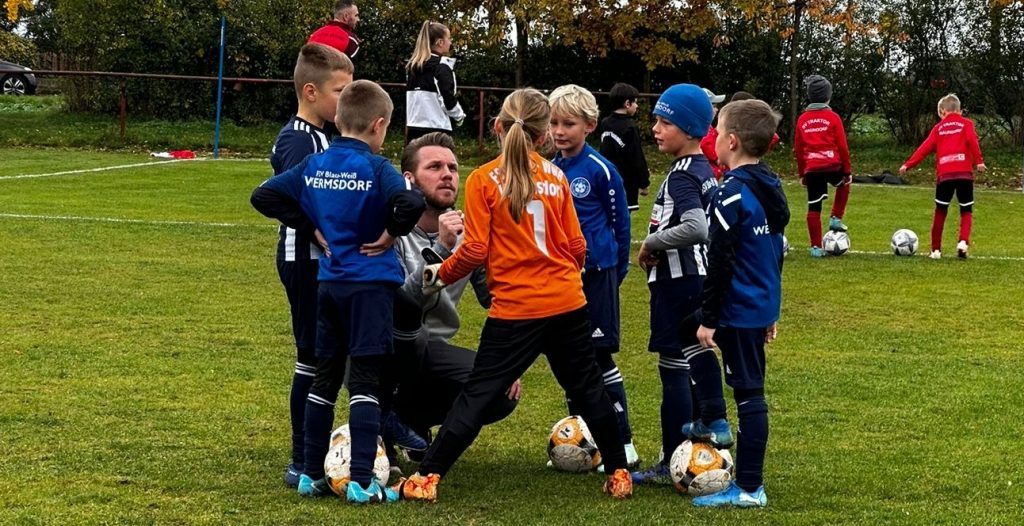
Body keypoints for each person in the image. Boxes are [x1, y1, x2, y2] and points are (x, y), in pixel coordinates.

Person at [398, 88, 633, 502]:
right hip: (567, 302)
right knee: (589, 389)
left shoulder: (484, 179)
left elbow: (474, 250)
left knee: (478, 394)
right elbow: (577, 245)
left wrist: (438, 274)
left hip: (516, 310)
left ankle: (426, 478)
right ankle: (619, 474)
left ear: (497, 127)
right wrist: (565, 272)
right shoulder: (557, 176)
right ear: (542, 136)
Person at [251, 80, 425, 504]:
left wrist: (310, 226)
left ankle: (311, 474)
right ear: (379, 125)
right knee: (365, 380)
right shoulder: (377, 168)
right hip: (369, 287)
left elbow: (263, 195)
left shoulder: (314, 164)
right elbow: (411, 203)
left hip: (328, 284)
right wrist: (389, 234)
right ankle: (362, 481)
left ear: (340, 118)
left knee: (324, 378)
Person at [389, 132, 519, 448]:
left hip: (435, 348)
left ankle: (413, 423)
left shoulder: (470, 233)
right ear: (409, 179)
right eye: (434, 167)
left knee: (500, 389)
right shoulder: (389, 231)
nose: (447, 175)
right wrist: (442, 249)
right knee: (412, 343)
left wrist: (508, 358)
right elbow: (403, 304)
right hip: (390, 345)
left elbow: (496, 297)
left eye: (452, 168)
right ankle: (381, 420)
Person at [631, 83, 730, 485]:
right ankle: (700, 447)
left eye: (664, 122)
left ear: (689, 129)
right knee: (691, 365)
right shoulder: (703, 169)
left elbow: (695, 227)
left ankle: (671, 458)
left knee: (672, 370)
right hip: (694, 278)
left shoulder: (683, 175)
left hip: (679, 283)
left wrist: (652, 242)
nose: (655, 129)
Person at [693, 99, 789, 508]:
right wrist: (771, 310)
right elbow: (775, 252)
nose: (712, 139)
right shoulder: (771, 186)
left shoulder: (729, 195)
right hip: (758, 305)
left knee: (750, 395)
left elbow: (721, 261)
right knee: (678, 331)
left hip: (738, 309)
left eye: (716, 132)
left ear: (731, 141)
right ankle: (709, 416)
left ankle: (750, 488)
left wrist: (710, 318)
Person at [267, 43, 353, 489]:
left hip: (326, 262)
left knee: (328, 354)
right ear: (311, 92)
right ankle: (302, 456)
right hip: (303, 260)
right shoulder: (298, 139)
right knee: (311, 356)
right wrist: (313, 228)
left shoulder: (325, 135)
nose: (346, 99)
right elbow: (282, 195)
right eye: (340, 91)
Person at [549, 84, 637, 469]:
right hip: (561, 277)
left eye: (568, 123)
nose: (559, 131)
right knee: (569, 359)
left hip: (597, 274)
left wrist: (616, 270)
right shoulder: (549, 169)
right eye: (554, 123)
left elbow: (620, 225)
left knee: (598, 357)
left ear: (589, 126)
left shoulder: (601, 170)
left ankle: (624, 442)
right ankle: (584, 445)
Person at [899, 93, 986, 259]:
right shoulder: (967, 123)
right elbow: (972, 141)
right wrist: (979, 161)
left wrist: (908, 164)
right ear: (960, 111)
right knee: (966, 210)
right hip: (964, 174)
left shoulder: (938, 128)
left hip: (945, 175)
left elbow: (924, 148)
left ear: (942, 112)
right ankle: (963, 242)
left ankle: (936, 250)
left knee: (940, 211)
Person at [793, 74, 852, 257]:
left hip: (812, 169)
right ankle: (836, 218)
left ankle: (816, 248)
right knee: (844, 184)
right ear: (828, 96)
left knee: (814, 207)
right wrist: (847, 170)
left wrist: (802, 173)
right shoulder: (833, 117)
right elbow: (842, 146)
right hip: (833, 165)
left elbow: (798, 149)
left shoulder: (802, 119)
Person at [405, 20, 465, 142]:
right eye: (449, 38)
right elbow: (447, 97)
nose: (450, 42)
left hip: (413, 127)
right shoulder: (442, 66)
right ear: (440, 42)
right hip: (437, 129)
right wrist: (459, 116)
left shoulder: (413, 66)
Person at [703, 91, 781, 179]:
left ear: (732, 141)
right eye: (713, 106)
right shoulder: (766, 176)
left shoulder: (733, 186)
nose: (717, 109)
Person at [599, 82, 651, 212]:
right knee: (623, 217)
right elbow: (637, 157)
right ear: (627, 104)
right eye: (635, 102)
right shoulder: (630, 127)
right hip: (625, 183)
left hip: (605, 180)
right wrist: (644, 183)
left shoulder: (605, 123)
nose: (637, 106)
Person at [698, 88, 727, 179]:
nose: (717, 109)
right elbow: (706, 143)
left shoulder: (707, 126)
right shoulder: (704, 128)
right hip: (707, 174)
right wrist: (718, 158)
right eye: (714, 106)